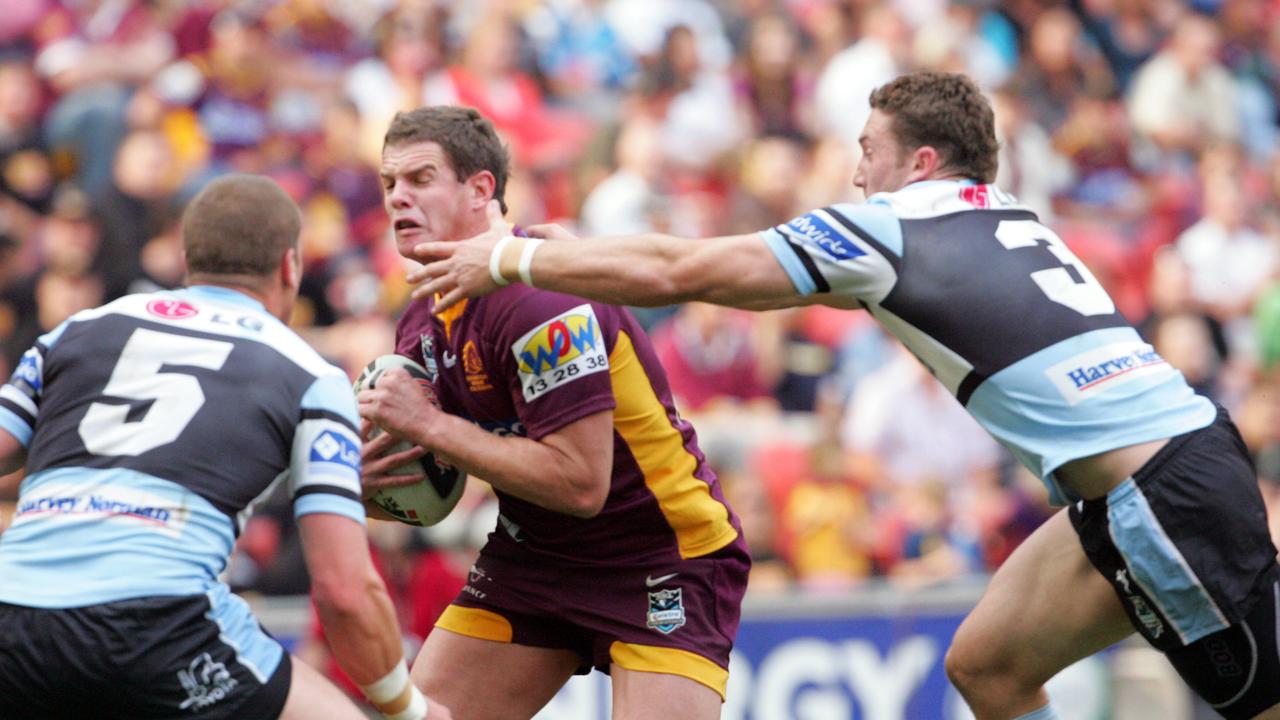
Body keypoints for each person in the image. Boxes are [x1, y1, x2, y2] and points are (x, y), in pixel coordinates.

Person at [410, 73, 1280, 720]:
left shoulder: (888, 226)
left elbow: (686, 270)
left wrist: (515, 258)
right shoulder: (1006, 211)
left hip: (1159, 493)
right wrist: (574, 257)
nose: (856, 174)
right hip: (1143, 477)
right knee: (990, 668)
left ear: (921, 160)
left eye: (868, 151)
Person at [0, 174, 449, 720]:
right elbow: (344, 591)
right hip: (159, 624)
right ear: (290, 266)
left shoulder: (75, 331)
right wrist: (409, 710)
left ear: (188, 258)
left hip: (15, 615)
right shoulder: (307, 372)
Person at [357, 106, 750, 719]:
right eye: (388, 185)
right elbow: (430, 481)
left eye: (420, 178)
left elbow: (581, 483)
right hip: (535, 556)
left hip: (662, 556)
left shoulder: (541, 296)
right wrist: (362, 482)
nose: (397, 198)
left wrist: (430, 426)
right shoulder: (422, 320)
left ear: (481, 189)